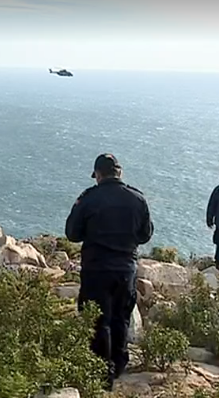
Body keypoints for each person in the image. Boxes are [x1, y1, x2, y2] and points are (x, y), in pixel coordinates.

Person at [65, 153, 154, 391]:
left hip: (96, 269)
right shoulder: (137, 199)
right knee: (121, 318)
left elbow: (72, 233)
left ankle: (100, 373)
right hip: (126, 269)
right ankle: (119, 366)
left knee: (98, 321)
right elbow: (145, 235)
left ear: (99, 174)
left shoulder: (89, 199)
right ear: (119, 173)